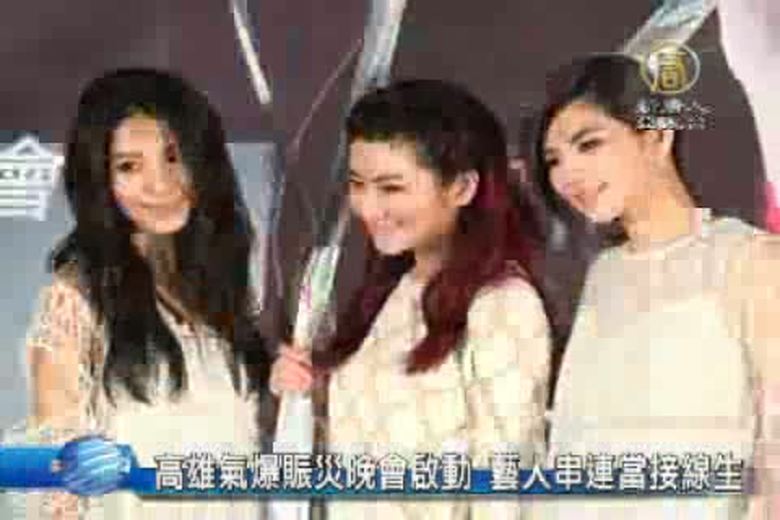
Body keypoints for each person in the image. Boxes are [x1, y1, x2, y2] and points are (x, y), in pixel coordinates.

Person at [270, 78, 551, 519]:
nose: (368, 207)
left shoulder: (503, 305)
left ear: (462, 188)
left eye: (391, 188)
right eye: (358, 184)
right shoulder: (391, 290)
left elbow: (506, 487)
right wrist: (306, 394)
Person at [531, 53, 780, 519]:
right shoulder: (604, 274)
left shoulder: (749, 259)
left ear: (657, 137)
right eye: (554, 160)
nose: (567, 175)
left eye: (589, 144)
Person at [23, 68, 271, 519]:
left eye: (173, 157)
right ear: (100, 179)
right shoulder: (76, 302)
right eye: (129, 166)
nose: (160, 184)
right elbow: (56, 481)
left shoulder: (219, 293)